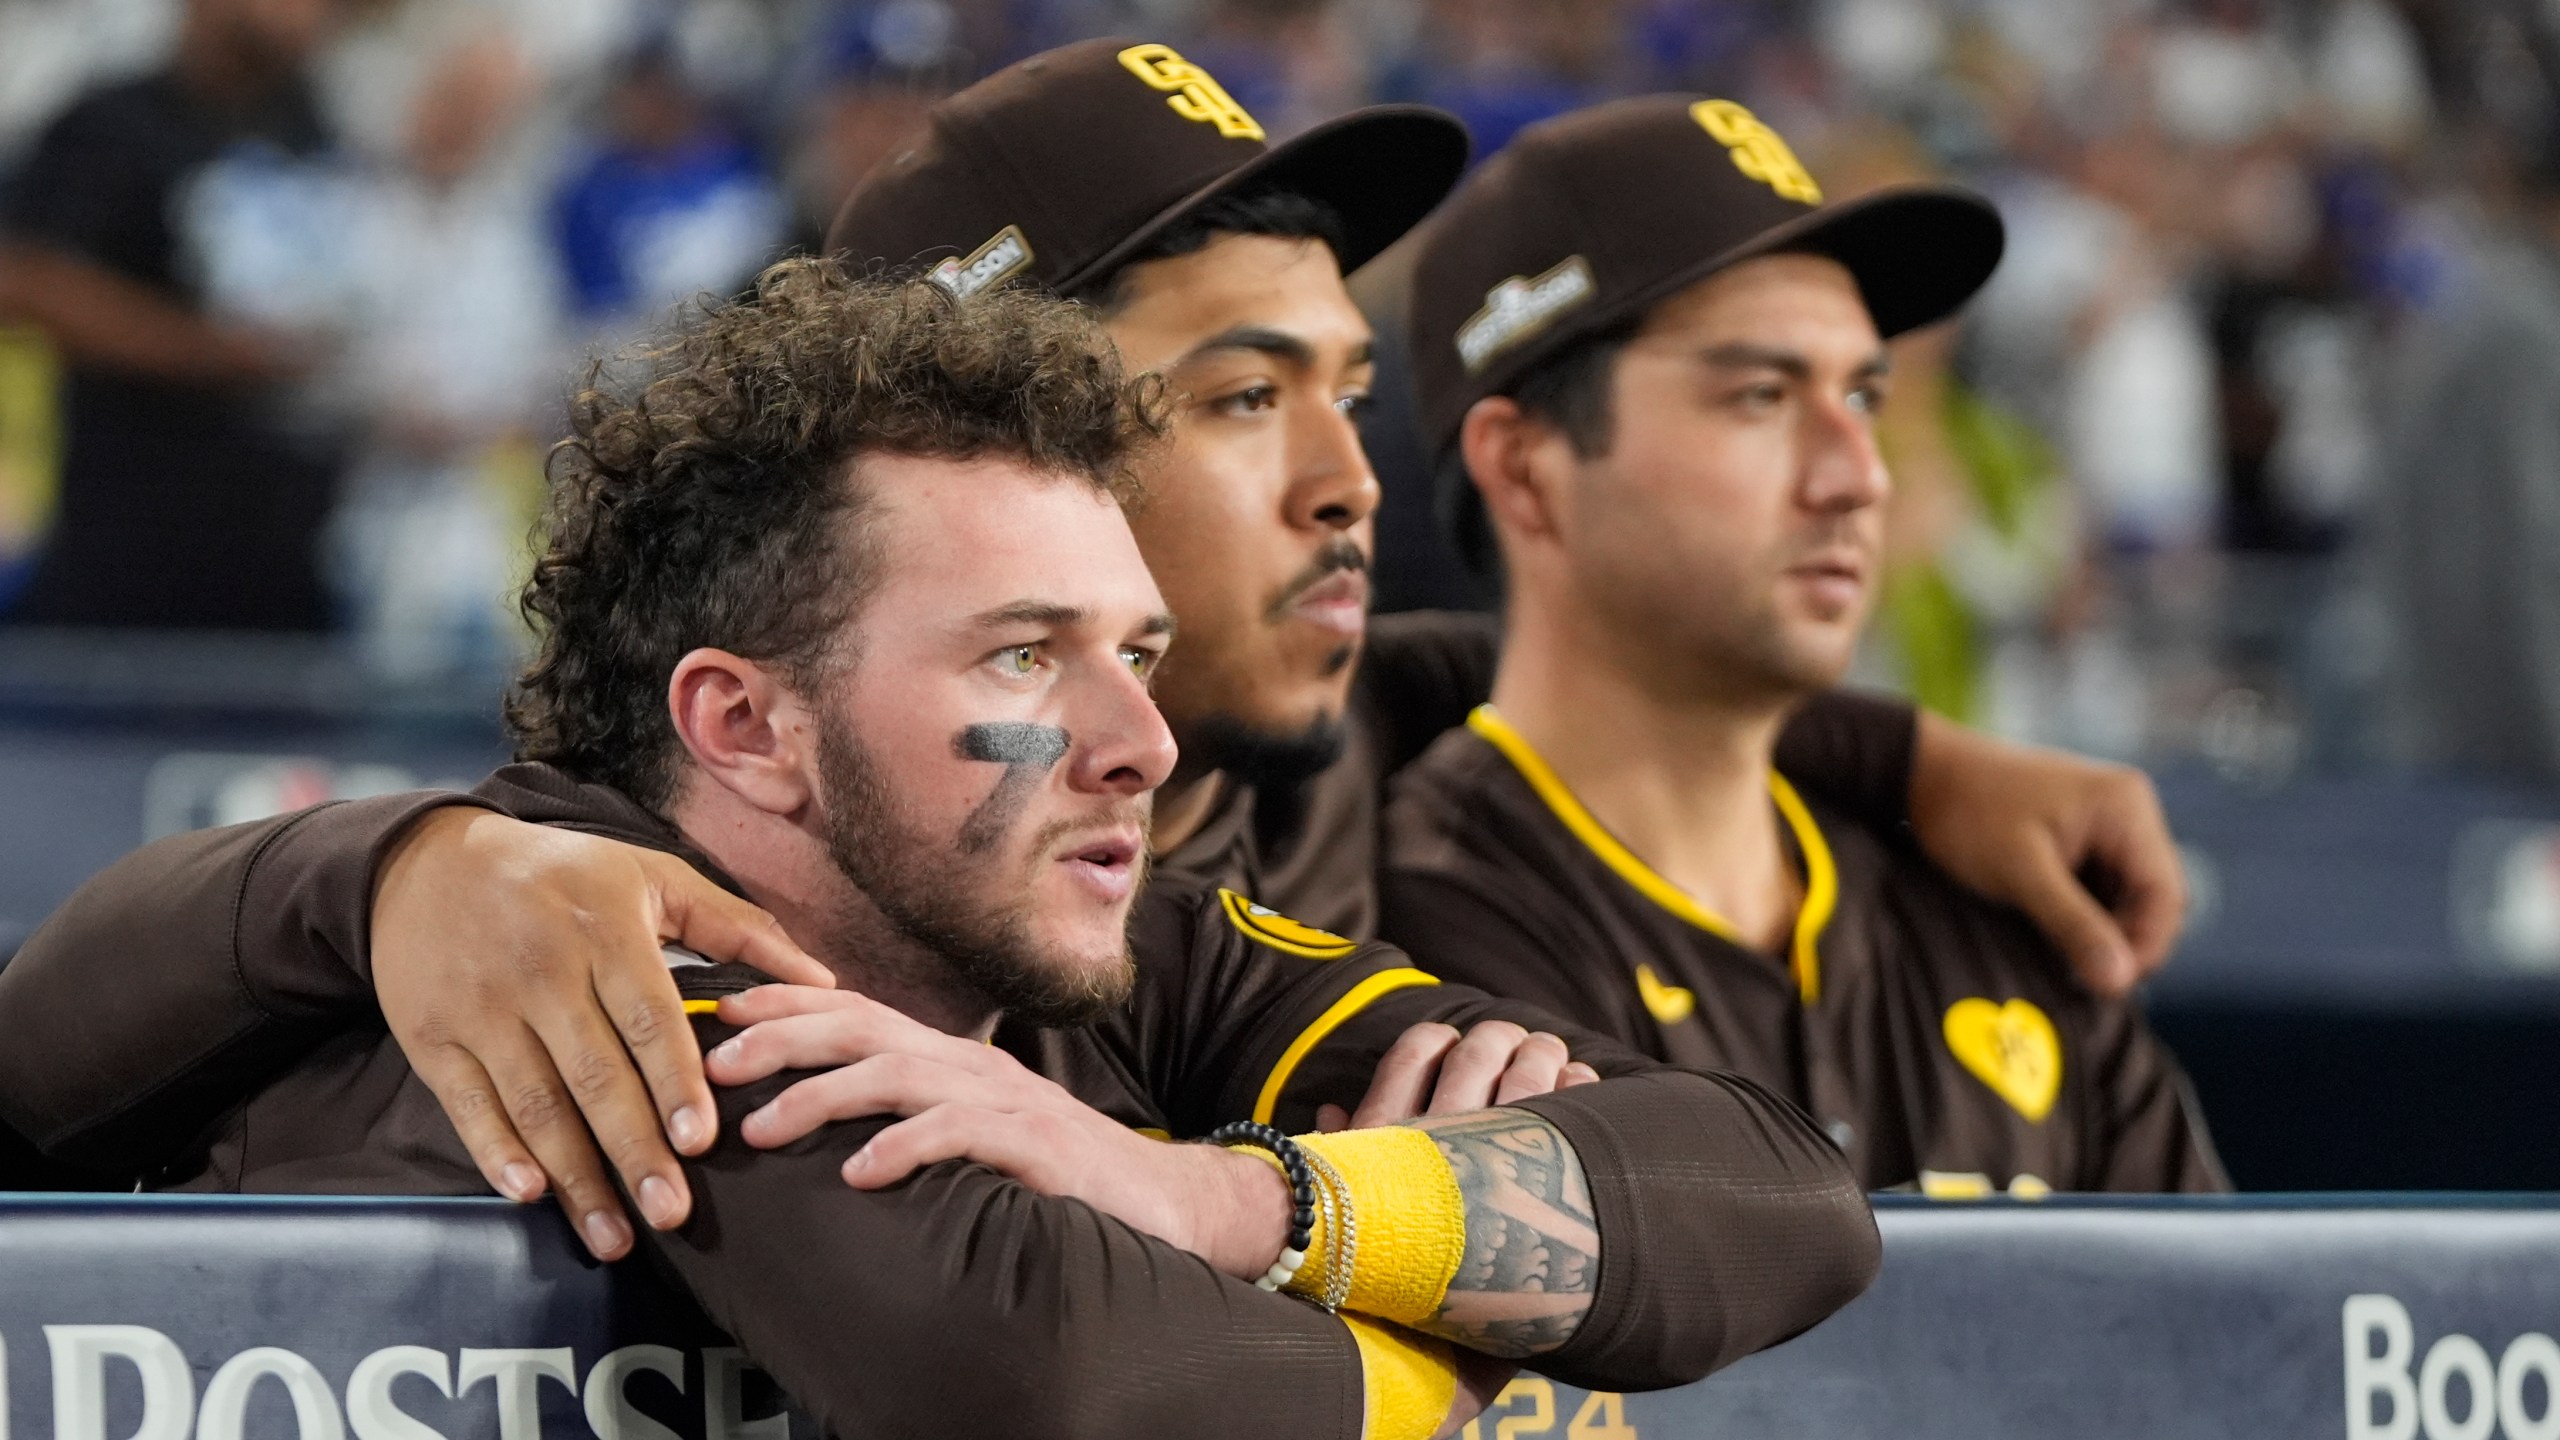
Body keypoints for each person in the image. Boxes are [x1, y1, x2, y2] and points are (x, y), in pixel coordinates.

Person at [2, 39, 2184, 1254]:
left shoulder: (1318, 791)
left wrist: (1898, 763)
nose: (1348, 475)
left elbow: (1748, 1169)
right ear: (977, 446)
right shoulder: (712, 921)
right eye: (1236, 398)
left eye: (1348, 383)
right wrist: (390, 872)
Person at [4, 264, 1880, 1439]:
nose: (1141, 743)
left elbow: (1782, 1201)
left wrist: (1229, 1202)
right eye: (1022, 658)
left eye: (1133, 652)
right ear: (745, 724)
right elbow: (1070, 1381)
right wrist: (1512, 1373)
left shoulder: (1116, 949)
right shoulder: (587, 971)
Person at [1382, 96, 2224, 1194]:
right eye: (1761, 396)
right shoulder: (1388, 937)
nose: (1859, 473)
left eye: (1863, 396)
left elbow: (2232, 1353)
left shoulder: (2002, 906)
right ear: (1527, 468)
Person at [0, 0, 346, 630]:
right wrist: (216, 353)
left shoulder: (312, 125)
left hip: (288, 560)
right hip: (134, 548)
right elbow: (29, 281)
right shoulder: (110, 124)